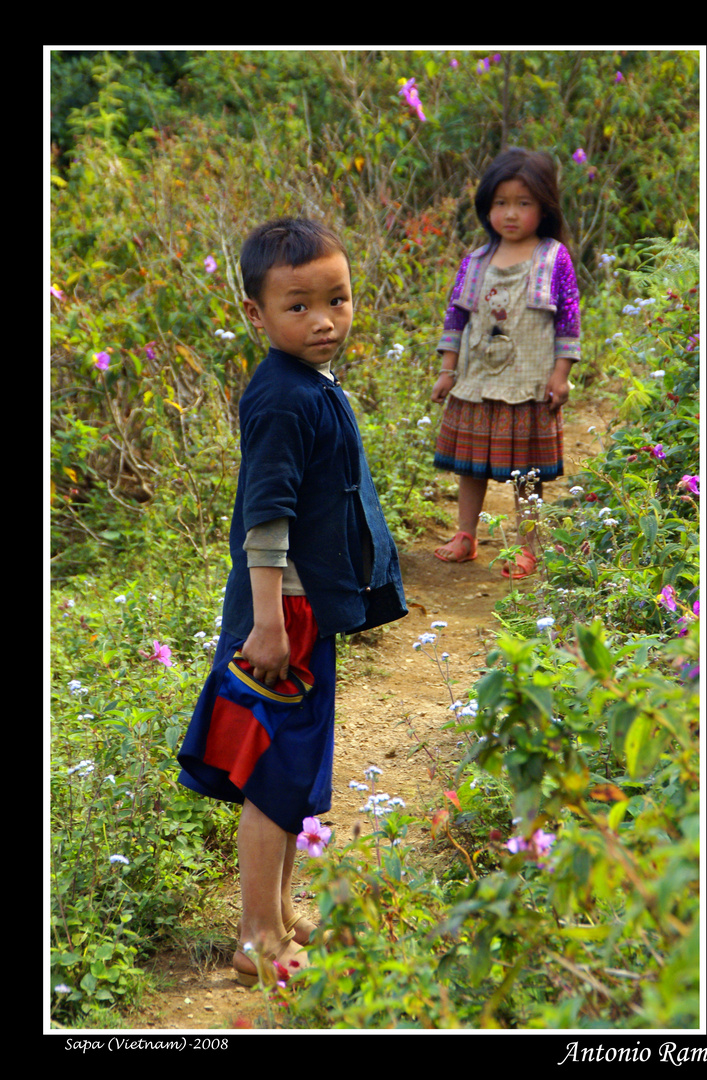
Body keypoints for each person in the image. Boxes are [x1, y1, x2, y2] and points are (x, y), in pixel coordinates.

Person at [177, 218, 408, 986]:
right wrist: (271, 623)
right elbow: (264, 516)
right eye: (300, 306)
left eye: (338, 300)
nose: (326, 321)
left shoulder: (308, 382)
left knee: (294, 773)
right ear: (257, 314)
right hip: (285, 615)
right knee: (275, 778)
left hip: (299, 611)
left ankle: (277, 917)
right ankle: (256, 939)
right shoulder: (280, 398)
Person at [431, 147, 581, 576]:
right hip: (477, 380)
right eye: (500, 203)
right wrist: (447, 369)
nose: (510, 214)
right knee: (470, 467)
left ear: (544, 206)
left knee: (526, 474)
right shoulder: (476, 262)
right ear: (486, 207)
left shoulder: (554, 259)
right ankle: (466, 535)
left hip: (528, 385)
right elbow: (456, 316)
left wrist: (561, 374)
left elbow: (569, 318)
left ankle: (527, 545)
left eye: (523, 203)